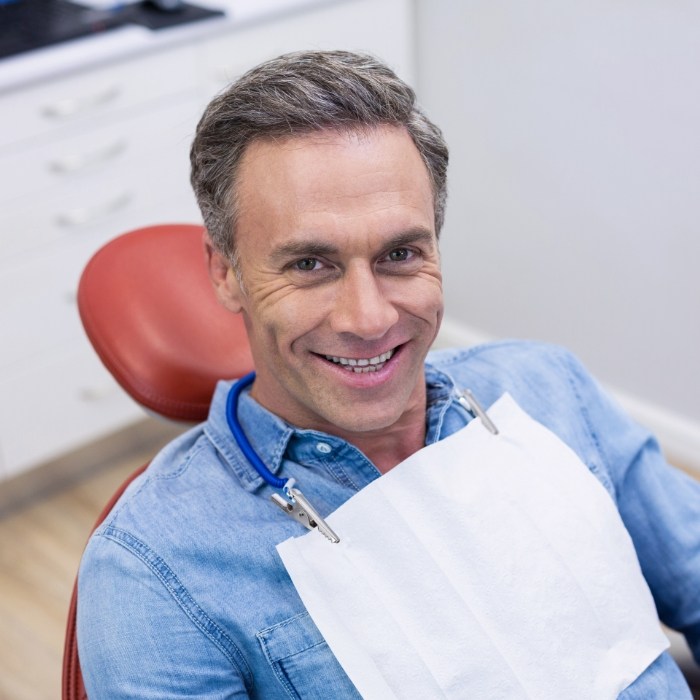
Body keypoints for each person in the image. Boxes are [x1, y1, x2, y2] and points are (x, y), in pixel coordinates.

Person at [77, 50, 700, 698]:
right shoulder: (155, 571)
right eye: (310, 264)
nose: (369, 318)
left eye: (400, 254)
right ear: (225, 271)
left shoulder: (546, 388)